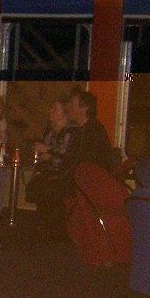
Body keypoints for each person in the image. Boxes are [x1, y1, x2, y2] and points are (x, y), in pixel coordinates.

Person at [26, 88, 114, 240]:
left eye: (72, 104)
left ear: (84, 108)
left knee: (50, 187)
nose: (68, 108)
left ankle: (55, 232)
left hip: (90, 181)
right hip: (84, 177)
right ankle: (47, 228)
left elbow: (76, 162)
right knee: (43, 182)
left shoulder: (89, 131)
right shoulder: (84, 129)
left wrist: (60, 177)